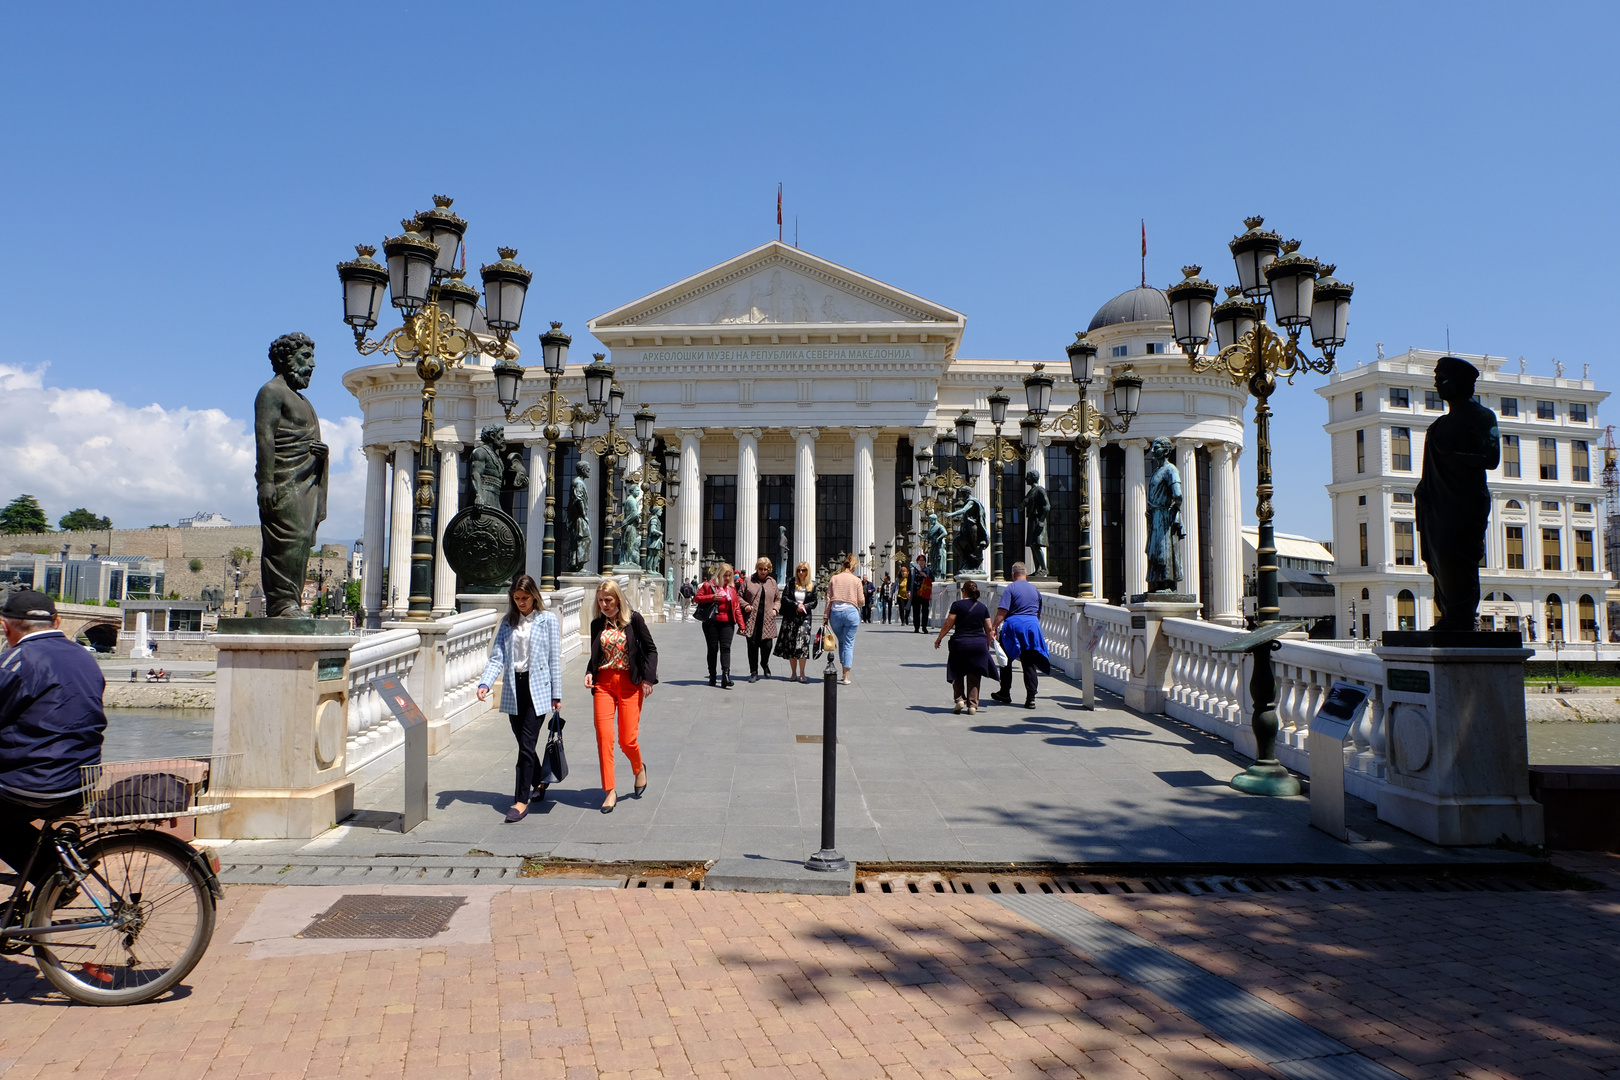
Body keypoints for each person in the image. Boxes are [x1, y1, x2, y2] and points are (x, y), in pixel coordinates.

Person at [0, 591, 106, 892]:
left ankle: (54, 882)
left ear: (6, 627)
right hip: (80, 780)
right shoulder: (83, 657)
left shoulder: (17, 661)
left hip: (36, 783)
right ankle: (52, 882)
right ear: (56, 621)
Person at [476, 575, 564, 823]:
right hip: (514, 688)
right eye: (516, 599)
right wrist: (485, 682)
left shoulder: (547, 620)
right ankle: (539, 780)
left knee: (526, 745)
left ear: (534, 596)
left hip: (539, 689)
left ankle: (520, 801)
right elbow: (497, 657)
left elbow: (553, 660)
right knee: (523, 743)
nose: (521, 603)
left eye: (525, 598)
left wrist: (557, 694)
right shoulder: (508, 622)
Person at [254, 332, 329, 618]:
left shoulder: (304, 400)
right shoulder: (271, 392)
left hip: (307, 480)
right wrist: (265, 482)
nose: (312, 365)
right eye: (306, 357)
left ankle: (292, 602)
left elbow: (310, 440)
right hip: (283, 479)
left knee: (301, 539)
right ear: (288, 358)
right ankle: (281, 603)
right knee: (286, 539)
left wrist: (323, 455)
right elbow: (265, 438)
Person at [584, 580, 658, 814]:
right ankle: (609, 790)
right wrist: (589, 672)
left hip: (630, 683)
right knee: (604, 738)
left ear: (618, 598)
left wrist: (648, 678)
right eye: (600, 600)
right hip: (604, 683)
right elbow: (597, 653)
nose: (604, 604)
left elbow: (651, 649)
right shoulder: (597, 623)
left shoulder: (633, 620)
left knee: (627, 740)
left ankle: (639, 768)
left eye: (608, 600)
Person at [991, 562, 1051, 709]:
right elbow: (1038, 614)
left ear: (1013, 574)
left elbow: (1002, 612)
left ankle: (1005, 692)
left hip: (1013, 628)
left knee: (1006, 660)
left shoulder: (1011, 588)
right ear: (1026, 574)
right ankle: (1031, 698)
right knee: (1029, 662)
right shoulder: (1035, 590)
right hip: (1032, 628)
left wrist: (993, 628)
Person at [933, 579, 997, 714]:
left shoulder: (957, 605)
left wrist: (939, 638)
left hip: (960, 643)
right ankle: (973, 705)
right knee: (974, 674)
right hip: (978, 644)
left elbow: (948, 624)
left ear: (963, 591)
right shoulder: (983, 607)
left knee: (957, 671)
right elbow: (989, 628)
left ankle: (960, 700)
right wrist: (987, 643)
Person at [694, 564, 744, 688]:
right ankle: (712, 675)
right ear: (719, 575)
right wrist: (712, 597)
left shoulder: (731, 589)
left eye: (729, 575)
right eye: (725, 575)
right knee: (713, 649)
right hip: (712, 622)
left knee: (726, 648)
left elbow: (736, 607)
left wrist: (742, 625)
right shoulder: (708, 585)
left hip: (727, 622)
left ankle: (725, 676)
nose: (727, 578)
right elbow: (697, 598)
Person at [822, 553, 864, 684]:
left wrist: (825, 616)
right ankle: (846, 677)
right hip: (851, 613)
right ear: (853, 567)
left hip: (836, 614)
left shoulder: (834, 579)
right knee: (849, 644)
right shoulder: (856, 580)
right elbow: (861, 601)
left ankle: (842, 671)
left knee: (841, 641)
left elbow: (828, 599)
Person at [774, 562, 819, 683]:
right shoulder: (791, 582)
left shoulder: (812, 585)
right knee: (791, 644)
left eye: (803, 570)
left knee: (802, 644)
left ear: (807, 571)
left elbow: (814, 602)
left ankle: (802, 673)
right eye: (799, 570)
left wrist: (804, 606)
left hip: (804, 618)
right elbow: (785, 598)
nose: (800, 572)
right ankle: (793, 673)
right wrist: (796, 605)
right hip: (791, 617)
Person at [739, 557, 781, 682]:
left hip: (767, 619)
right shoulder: (748, 581)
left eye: (766, 569)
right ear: (757, 568)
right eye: (761, 569)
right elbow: (739, 596)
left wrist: (775, 609)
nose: (763, 571)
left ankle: (764, 663)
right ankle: (753, 671)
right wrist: (745, 605)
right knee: (752, 646)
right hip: (752, 620)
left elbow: (778, 599)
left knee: (767, 646)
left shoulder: (772, 582)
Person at [911, 556, 933, 633]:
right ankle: (916, 627)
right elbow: (910, 581)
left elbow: (932, 579)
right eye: (920, 560)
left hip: (925, 593)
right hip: (916, 593)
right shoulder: (913, 570)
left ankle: (924, 627)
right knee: (916, 611)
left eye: (923, 560)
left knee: (925, 611)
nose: (921, 562)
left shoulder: (927, 570)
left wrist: (925, 575)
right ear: (917, 561)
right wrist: (908, 591)